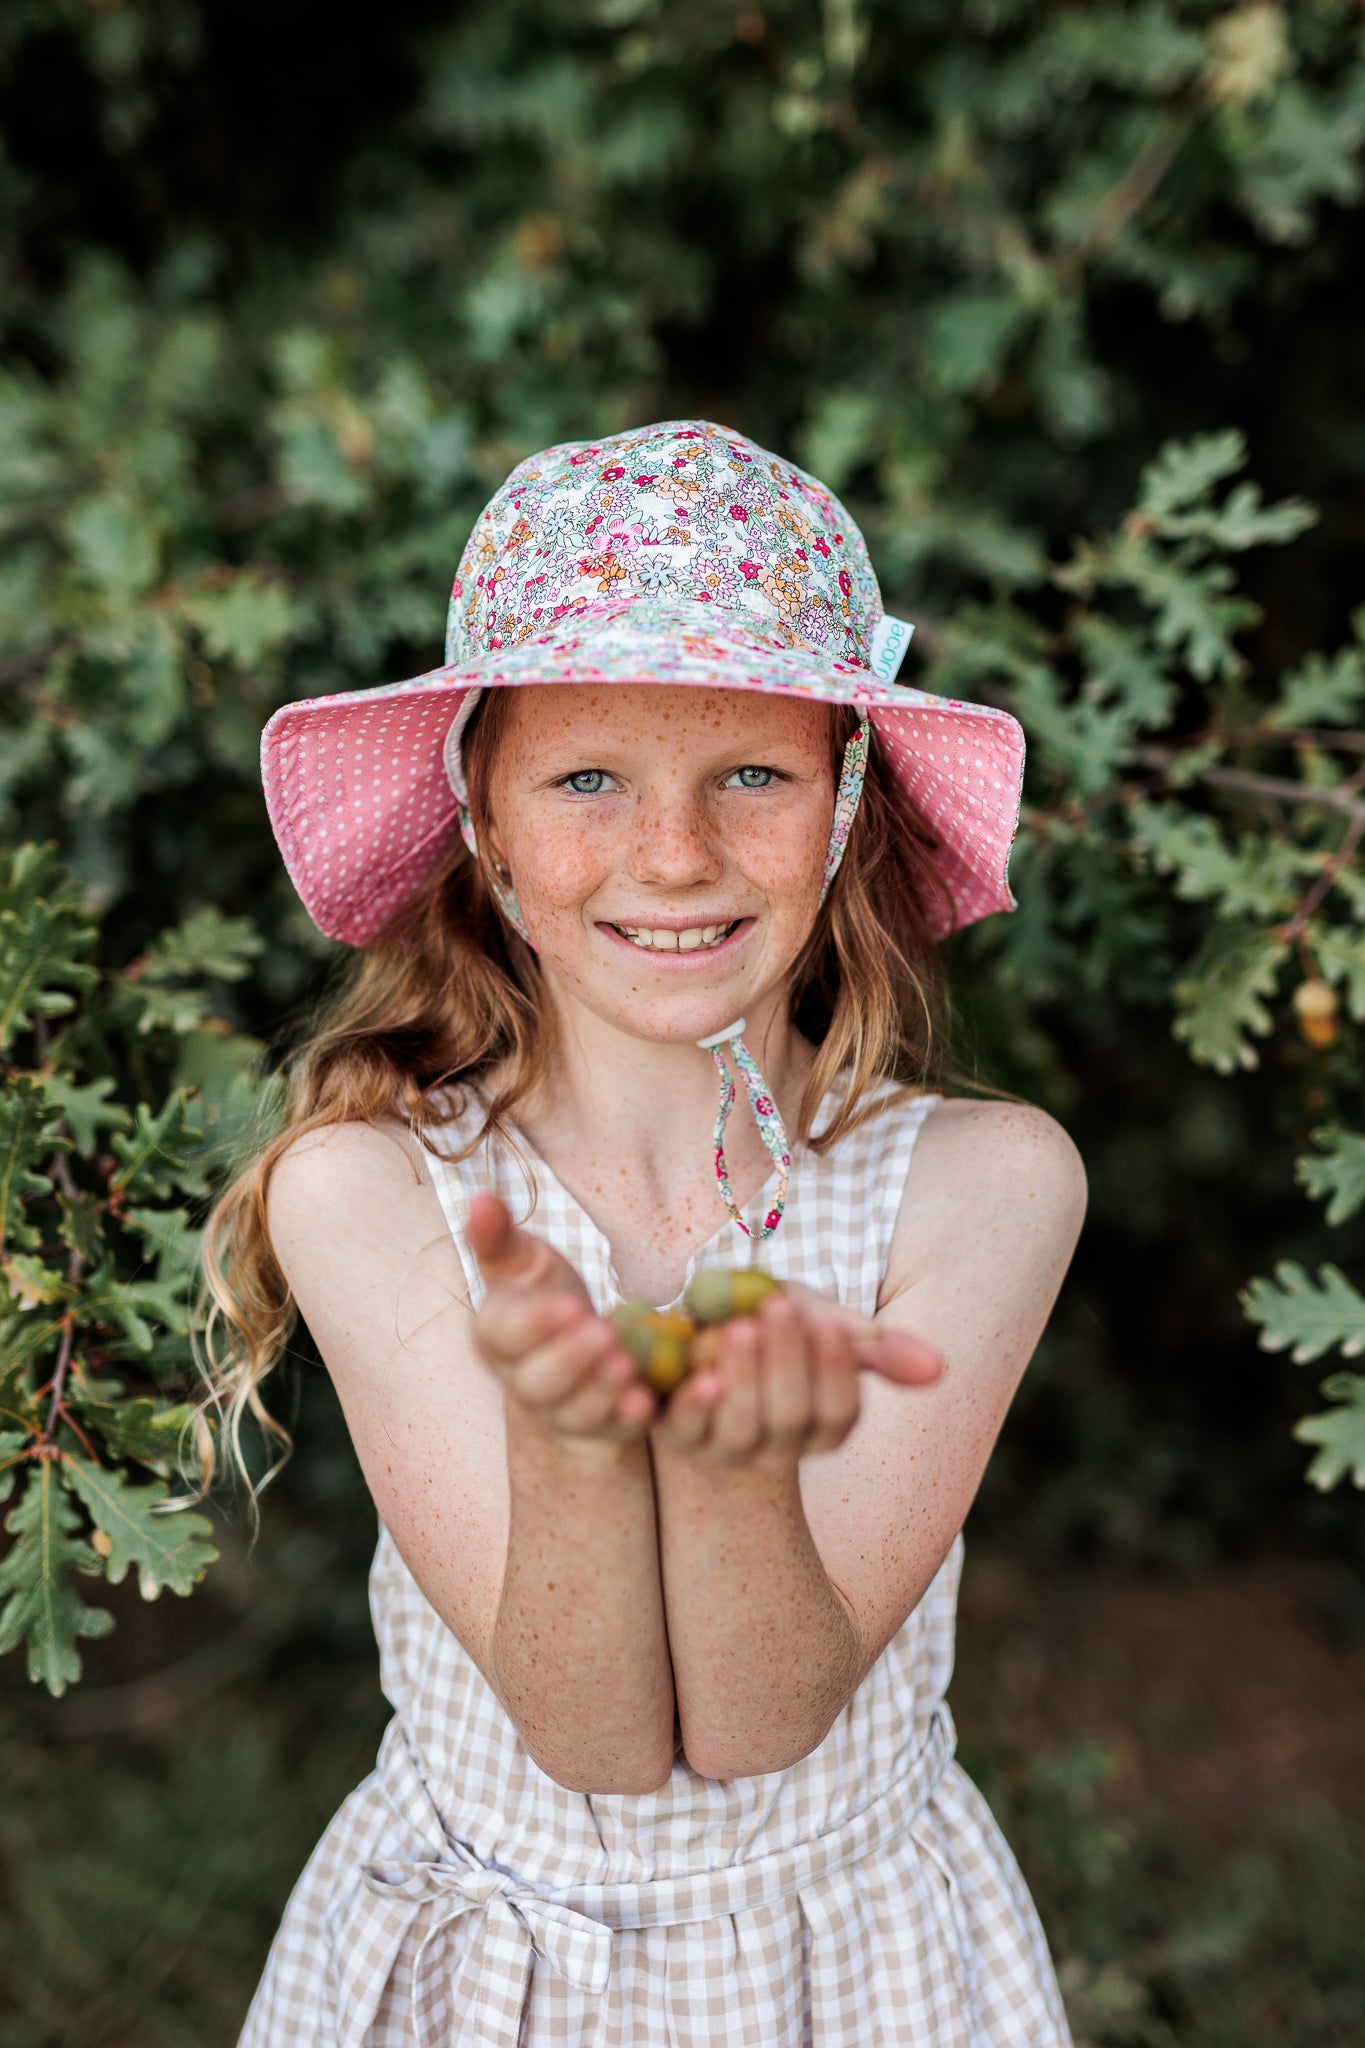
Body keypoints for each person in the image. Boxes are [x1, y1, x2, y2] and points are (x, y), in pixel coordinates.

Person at [206, 418, 1088, 2047]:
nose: (672, 856)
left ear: (838, 811)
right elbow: (594, 1736)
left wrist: (735, 1453)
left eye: (750, 772)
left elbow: (762, 1721)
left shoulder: (984, 1184)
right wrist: (574, 1438)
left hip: (859, 1964)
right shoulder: (373, 1191)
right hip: (498, 1978)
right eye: (587, 778)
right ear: (485, 819)